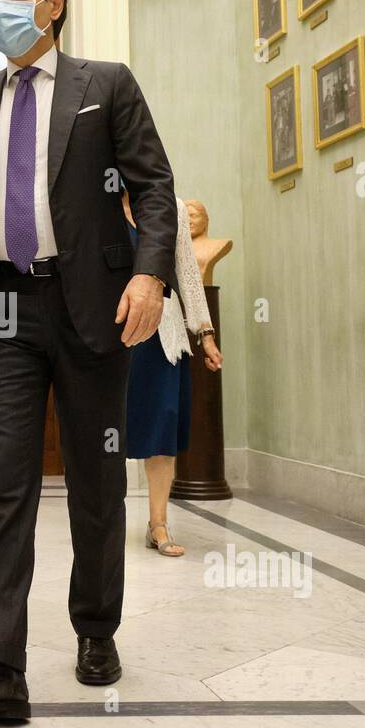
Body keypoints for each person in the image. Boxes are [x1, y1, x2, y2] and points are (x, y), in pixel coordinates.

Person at [0, 0, 177, 719]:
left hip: (94, 309)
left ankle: (96, 629)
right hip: (1, 310)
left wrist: (150, 274)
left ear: (54, 4)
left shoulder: (105, 84)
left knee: (96, 483)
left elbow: (155, 186)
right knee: (4, 487)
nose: (2, 7)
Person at [122, 194, 222, 557]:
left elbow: (187, 271)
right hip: (109, 331)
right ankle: (102, 521)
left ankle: (158, 522)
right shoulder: (94, 196)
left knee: (162, 421)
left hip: (162, 328)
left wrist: (205, 333)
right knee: (105, 429)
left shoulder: (171, 207)